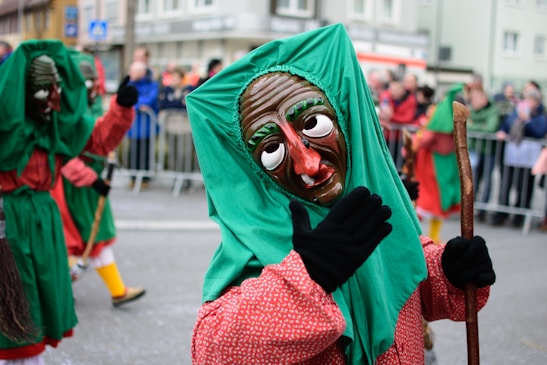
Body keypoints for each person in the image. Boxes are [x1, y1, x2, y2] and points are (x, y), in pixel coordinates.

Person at [186, 24, 495, 365]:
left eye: (314, 124)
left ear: (345, 122)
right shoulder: (257, 247)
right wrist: (309, 276)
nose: (308, 163)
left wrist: (448, 270)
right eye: (272, 148)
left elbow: (407, 276)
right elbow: (213, 352)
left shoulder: (369, 210)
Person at [0, 40, 137, 364]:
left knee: (39, 302)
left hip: (41, 221)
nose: (51, 99)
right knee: (17, 311)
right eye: (42, 90)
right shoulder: (7, 125)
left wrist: (120, 108)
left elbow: (95, 139)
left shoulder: (54, 126)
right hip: (9, 224)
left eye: (55, 89)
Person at [49, 51, 145, 307]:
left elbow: (101, 137)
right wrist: (89, 178)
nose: (90, 89)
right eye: (85, 84)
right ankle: (56, 289)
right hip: (61, 188)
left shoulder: (80, 112)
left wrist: (121, 108)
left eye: (93, 83)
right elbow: (57, 153)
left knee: (95, 238)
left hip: (83, 187)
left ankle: (116, 290)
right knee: (64, 240)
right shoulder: (52, 112)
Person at [412, 84, 463, 243]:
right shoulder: (451, 122)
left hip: (433, 165)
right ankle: (432, 235)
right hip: (445, 164)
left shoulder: (440, 122)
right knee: (437, 202)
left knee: (427, 200)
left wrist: (414, 143)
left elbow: (423, 141)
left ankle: (420, 234)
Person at [491, 87, 547, 227]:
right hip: (512, 156)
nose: (528, 102)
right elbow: (505, 125)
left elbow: (539, 131)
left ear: (536, 102)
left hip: (528, 159)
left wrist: (527, 120)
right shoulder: (515, 112)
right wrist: (502, 131)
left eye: (531, 100)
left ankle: (520, 216)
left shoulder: (540, 117)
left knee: (524, 187)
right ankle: (501, 214)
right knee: (506, 185)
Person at [466, 88, 501, 222]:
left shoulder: (493, 110)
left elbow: (491, 128)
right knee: (472, 180)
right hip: (475, 149)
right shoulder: (473, 110)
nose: (472, 102)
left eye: (474, 99)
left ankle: (483, 209)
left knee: (487, 180)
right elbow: (467, 124)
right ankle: (470, 208)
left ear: (483, 99)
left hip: (488, 152)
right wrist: (480, 125)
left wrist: (475, 125)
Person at [125, 60, 159, 189]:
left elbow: (150, 99)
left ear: (142, 72)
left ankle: (144, 179)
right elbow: (126, 98)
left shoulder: (152, 83)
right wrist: (139, 105)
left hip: (147, 125)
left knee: (145, 152)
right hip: (133, 125)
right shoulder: (129, 83)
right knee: (133, 151)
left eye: (134, 71)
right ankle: (133, 178)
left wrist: (136, 104)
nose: (131, 73)